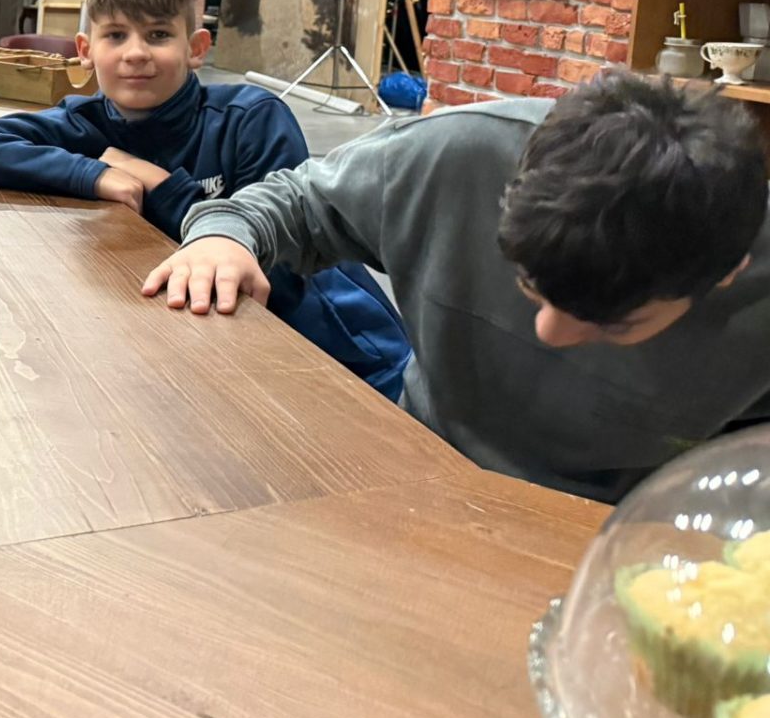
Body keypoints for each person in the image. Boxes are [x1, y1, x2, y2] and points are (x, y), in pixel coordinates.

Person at [141, 72, 770, 502]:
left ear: (727, 273)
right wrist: (221, 237)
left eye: (612, 322)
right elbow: (297, 202)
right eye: (529, 285)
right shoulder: (459, 154)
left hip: (610, 532)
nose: (549, 331)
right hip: (415, 471)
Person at [0, 0, 411, 399]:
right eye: (115, 35)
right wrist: (91, 173)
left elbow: (269, 271)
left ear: (196, 47)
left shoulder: (250, 119)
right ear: (85, 50)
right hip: (212, 351)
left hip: (348, 357)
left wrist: (160, 186)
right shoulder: (84, 125)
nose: (135, 53)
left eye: (158, 35)